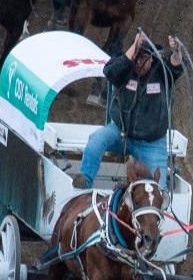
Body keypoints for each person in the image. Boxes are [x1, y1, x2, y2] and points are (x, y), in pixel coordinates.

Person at [76, 32, 184, 190]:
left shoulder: (162, 72)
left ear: (152, 58)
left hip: (151, 143)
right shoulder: (124, 69)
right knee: (96, 140)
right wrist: (134, 47)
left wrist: (177, 51)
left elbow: (176, 66)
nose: (138, 63)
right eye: (136, 58)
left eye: (143, 58)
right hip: (121, 132)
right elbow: (110, 72)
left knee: (159, 190)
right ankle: (85, 181)